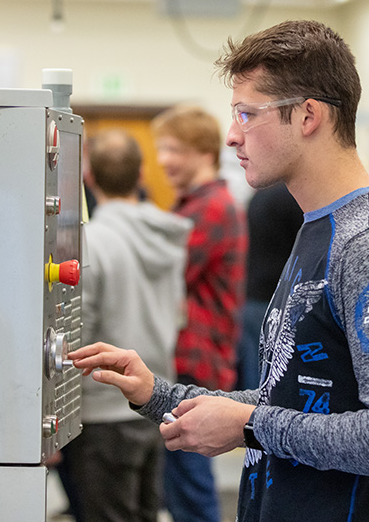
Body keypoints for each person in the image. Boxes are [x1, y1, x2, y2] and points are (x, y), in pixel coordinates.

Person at [69, 20, 369, 522]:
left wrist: (250, 425)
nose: (231, 136)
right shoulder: (319, 228)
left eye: (247, 114)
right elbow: (295, 396)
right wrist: (160, 394)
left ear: (308, 115)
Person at [59, 129, 192, 522]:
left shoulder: (91, 242)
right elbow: (179, 313)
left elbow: (78, 329)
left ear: (89, 178)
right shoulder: (169, 236)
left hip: (102, 412)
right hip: (154, 402)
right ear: (141, 175)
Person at [151, 105, 248, 522]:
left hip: (197, 359)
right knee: (178, 482)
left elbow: (164, 274)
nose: (163, 160)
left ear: (203, 152)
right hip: (186, 357)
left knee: (190, 486)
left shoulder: (211, 209)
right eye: (161, 149)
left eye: (173, 149)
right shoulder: (191, 206)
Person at [237, 183, 302, 391]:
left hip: (252, 297)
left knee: (254, 372)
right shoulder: (292, 198)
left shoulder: (258, 197)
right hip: (275, 300)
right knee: (272, 378)